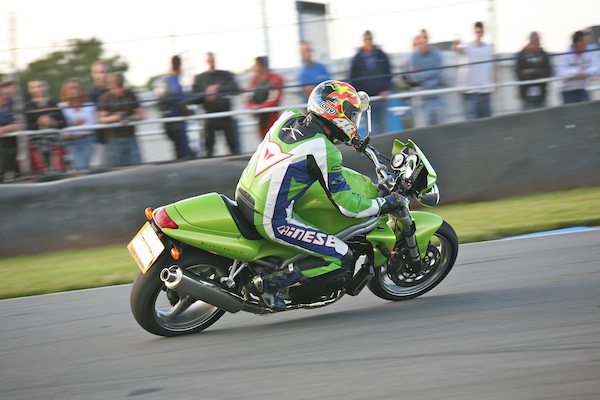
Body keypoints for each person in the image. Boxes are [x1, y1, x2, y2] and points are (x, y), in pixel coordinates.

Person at [235, 80, 402, 310]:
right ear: (336, 112)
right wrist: (384, 203)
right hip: (271, 219)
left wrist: (350, 140)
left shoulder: (289, 116)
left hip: (244, 194)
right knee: (340, 254)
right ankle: (270, 284)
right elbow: (348, 206)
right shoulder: (325, 151)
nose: (354, 121)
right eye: (351, 115)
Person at [192, 52, 240, 157]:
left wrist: (218, 89)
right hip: (210, 115)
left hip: (225, 114)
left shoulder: (225, 74)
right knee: (208, 148)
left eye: (212, 60)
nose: (211, 63)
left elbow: (236, 89)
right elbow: (193, 97)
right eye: (209, 61)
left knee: (233, 146)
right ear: (205, 62)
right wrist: (206, 94)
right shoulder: (200, 78)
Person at [349, 30, 392, 135]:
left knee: (384, 126)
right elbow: (353, 79)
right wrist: (360, 95)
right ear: (363, 41)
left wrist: (386, 89)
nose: (368, 41)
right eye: (366, 39)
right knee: (371, 128)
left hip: (381, 98)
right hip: (366, 100)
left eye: (370, 39)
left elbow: (388, 73)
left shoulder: (381, 55)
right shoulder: (357, 59)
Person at [97, 72, 143, 167]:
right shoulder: (105, 97)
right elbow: (101, 119)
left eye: (121, 86)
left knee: (137, 167)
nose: (119, 90)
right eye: (116, 87)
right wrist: (115, 118)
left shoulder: (131, 94)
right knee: (116, 169)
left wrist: (129, 118)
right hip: (113, 140)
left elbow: (140, 115)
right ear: (110, 87)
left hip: (131, 137)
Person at [453, 21, 495, 120]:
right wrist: (456, 42)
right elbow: (455, 48)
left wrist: (493, 85)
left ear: (483, 32)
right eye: (477, 32)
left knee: (488, 123)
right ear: (474, 32)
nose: (478, 34)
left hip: (485, 92)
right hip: (470, 93)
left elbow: (492, 66)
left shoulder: (488, 48)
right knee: (472, 124)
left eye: (480, 32)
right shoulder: (467, 46)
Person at [24, 78, 67, 173]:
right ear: (30, 90)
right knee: (41, 172)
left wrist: (54, 123)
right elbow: (25, 126)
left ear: (47, 87)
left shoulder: (53, 103)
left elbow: (64, 123)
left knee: (58, 171)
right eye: (35, 87)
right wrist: (38, 123)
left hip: (54, 143)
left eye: (41, 86)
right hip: (36, 143)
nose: (39, 89)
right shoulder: (27, 106)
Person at [158, 55, 194, 160]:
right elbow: (179, 101)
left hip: (168, 122)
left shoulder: (164, 80)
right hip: (176, 121)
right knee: (183, 152)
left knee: (179, 150)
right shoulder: (173, 81)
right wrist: (188, 112)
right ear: (179, 67)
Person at [408, 31, 446, 126]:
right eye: (420, 43)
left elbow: (440, 74)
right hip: (422, 100)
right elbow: (414, 77)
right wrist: (431, 71)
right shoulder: (413, 57)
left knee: (442, 128)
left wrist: (422, 72)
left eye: (424, 41)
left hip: (437, 97)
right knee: (424, 128)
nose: (422, 45)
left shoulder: (436, 54)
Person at [58, 78, 96, 172]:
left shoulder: (90, 105)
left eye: (76, 88)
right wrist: (73, 123)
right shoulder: (61, 106)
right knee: (81, 166)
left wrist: (72, 127)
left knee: (84, 166)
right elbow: (61, 124)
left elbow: (92, 123)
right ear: (65, 91)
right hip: (69, 142)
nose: (74, 91)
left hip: (87, 140)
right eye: (70, 88)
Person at [556, 30, 600, 104]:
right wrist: (577, 72)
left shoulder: (590, 51)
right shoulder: (565, 54)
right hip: (568, 91)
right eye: (584, 41)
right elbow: (560, 72)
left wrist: (584, 72)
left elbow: (597, 67)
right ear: (577, 42)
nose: (586, 43)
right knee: (571, 111)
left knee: (587, 109)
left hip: (583, 89)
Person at [246, 56, 284, 139]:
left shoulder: (275, 78)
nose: (254, 67)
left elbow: (275, 98)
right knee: (264, 141)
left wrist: (259, 107)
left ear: (262, 66)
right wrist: (252, 107)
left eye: (256, 65)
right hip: (260, 117)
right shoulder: (254, 80)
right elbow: (248, 97)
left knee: (275, 139)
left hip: (272, 116)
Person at [515, 32, 552, 111]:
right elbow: (519, 74)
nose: (537, 44)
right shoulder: (521, 55)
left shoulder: (544, 54)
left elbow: (548, 73)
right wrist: (537, 74)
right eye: (534, 41)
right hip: (526, 96)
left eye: (538, 41)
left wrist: (533, 71)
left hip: (542, 96)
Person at [89, 60, 110, 160]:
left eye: (104, 72)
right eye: (98, 72)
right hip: (98, 142)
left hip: (118, 138)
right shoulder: (88, 94)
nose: (102, 75)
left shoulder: (116, 91)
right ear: (92, 74)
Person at [0, 81, 18, 183]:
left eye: (9, 94)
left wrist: (3, 129)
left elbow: (20, 124)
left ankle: (8, 177)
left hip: (11, 141)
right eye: (4, 94)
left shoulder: (15, 107)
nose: (6, 97)